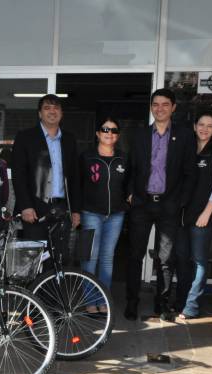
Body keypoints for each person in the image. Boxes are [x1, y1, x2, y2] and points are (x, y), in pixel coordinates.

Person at [124, 88, 196, 322]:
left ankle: (162, 304)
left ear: (173, 107)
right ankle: (132, 303)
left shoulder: (184, 136)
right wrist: (130, 194)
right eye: (156, 104)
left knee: (166, 259)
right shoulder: (140, 135)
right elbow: (131, 168)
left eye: (165, 104)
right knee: (135, 256)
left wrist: (180, 202)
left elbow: (189, 173)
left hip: (169, 206)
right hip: (142, 204)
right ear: (151, 107)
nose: (160, 108)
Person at [72, 117, 129, 313]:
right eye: (105, 129)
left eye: (113, 130)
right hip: (91, 213)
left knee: (107, 258)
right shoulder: (86, 157)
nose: (109, 133)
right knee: (90, 258)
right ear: (97, 133)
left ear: (117, 135)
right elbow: (77, 186)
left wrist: (128, 199)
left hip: (115, 215)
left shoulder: (123, 158)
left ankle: (103, 299)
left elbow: (129, 183)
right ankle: (89, 300)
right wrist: (76, 211)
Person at [174, 112, 212, 320]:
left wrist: (207, 212)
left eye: (210, 125)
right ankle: (181, 302)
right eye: (201, 124)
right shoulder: (187, 150)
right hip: (182, 215)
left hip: (203, 215)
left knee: (199, 262)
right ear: (195, 126)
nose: (205, 129)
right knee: (182, 259)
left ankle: (191, 306)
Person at [12, 94, 78, 251]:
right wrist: (25, 206)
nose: (52, 111)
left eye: (56, 108)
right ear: (40, 113)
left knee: (59, 258)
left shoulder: (69, 139)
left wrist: (75, 210)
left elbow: (75, 177)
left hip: (62, 209)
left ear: (61, 113)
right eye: (47, 108)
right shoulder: (25, 137)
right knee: (34, 260)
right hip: (35, 210)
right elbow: (18, 175)